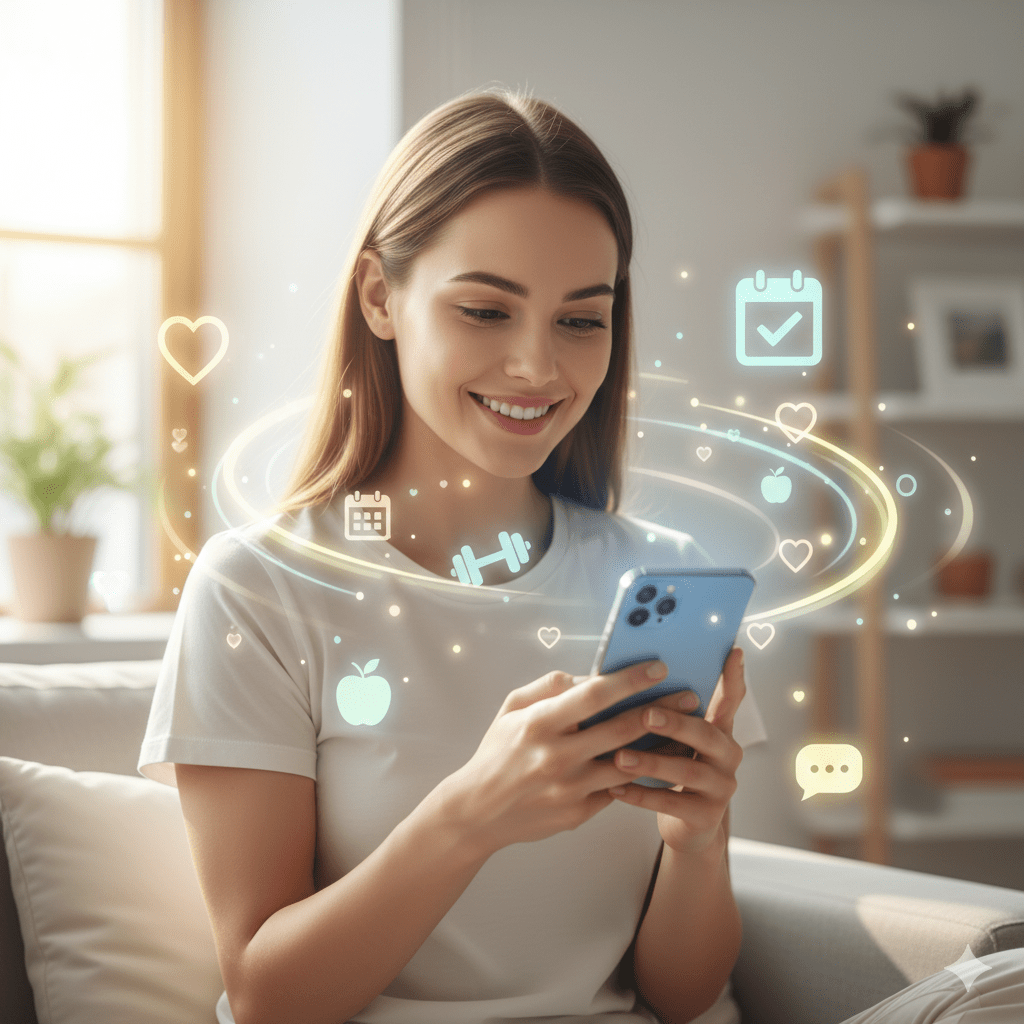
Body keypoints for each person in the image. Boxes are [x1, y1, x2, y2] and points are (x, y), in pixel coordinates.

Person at [138, 86, 1023, 1024]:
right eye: (486, 310)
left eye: (580, 319)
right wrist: (471, 815)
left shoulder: (661, 576)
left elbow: (684, 995)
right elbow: (267, 996)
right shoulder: (260, 590)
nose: (538, 367)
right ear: (379, 296)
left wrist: (697, 842)